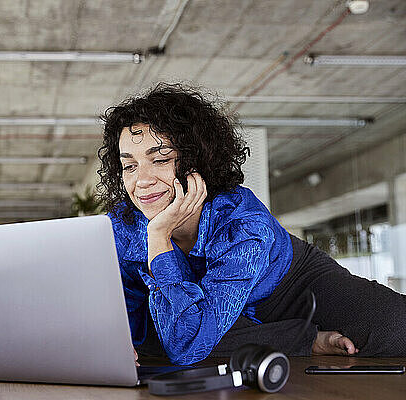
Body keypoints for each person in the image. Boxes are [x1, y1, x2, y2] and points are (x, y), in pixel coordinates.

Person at [96, 82, 406, 366]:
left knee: (395, 327)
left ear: (195, 161)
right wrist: (123, 340)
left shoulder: (243, 223)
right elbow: (132, 311)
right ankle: (299, 340)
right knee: (170, 332)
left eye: (160, 159)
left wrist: (159, 235)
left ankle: (276, 335)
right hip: (208, 307)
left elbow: (185, 343)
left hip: (288, 287)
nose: (142, 181)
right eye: (130, 166)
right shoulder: (123, 226)